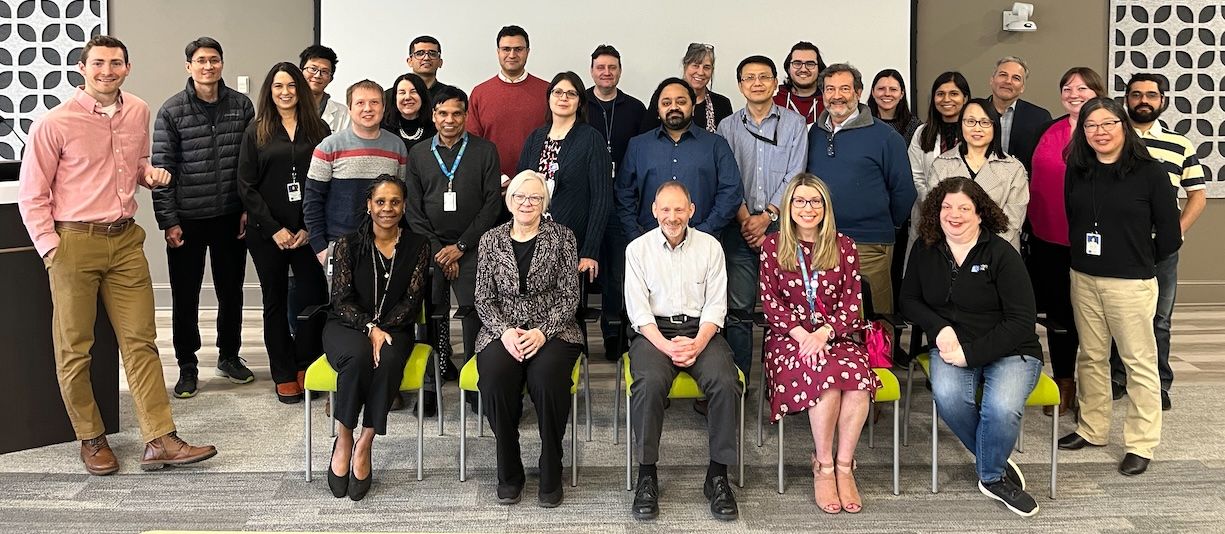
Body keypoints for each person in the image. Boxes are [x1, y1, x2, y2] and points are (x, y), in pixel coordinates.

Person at [17, 35, 217, 475]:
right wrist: (53, 252)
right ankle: (91, 437)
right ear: (82, 68)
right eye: (99, 63)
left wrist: (150, 174)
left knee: (141, 341)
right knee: (75, 348)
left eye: (116, 63)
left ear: (128, 68)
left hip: (126, 240)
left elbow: (135, 164)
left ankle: (159, 438)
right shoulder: (54, 123)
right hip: (74, 242)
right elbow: (32, 195)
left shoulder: (139, 111)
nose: (107, 70)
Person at [900, 177, 1044, 517]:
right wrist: (939, 327)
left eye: (964, 208)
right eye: (947, 207)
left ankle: (992, 476)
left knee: (1002, 408)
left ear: (980, 214)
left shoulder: (1001, 254)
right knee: (948, 397)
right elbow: (908, 300)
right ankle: (993, 458)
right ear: (937, 212)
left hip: (1011, 349)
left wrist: (972, 354)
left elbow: (1022, 320)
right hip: (952, 345)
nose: (955, 214)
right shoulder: (925, 248)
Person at [1057, 97, 1181, 477]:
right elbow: (1072, 217)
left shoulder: (1151, 172)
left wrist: (1137, 259)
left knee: (1137, 362)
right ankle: (1093, 429)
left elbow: (1170, 236)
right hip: (1084, 277)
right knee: (1091, 356)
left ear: (1123, 126)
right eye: (1091, 125)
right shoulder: (1078, 170)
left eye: (1108, 123)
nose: (1100, 132)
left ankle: (1141, 443)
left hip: (1131, 282)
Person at [759, 173, 876, 514]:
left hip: (835, 336)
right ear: (788, 206)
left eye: (815, 201)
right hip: (788, 339)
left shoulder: (844, 246)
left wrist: (824, 333)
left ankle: (844, 465)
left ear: (825, 207)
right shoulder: (772, 245)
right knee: (825, 378)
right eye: (799, 201)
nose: (807, 208)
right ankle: (823, 466)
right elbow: (770, 302)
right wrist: (802, 335)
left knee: (855, 382)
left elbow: (853, 303)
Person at [625, 180, 742, 522]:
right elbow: (639, 312)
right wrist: (667, 346)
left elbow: (716, 307)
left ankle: (717, 475)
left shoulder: (710, 247)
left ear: (691, 211)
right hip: (654, 333)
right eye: (665, 209)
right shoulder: (638, 249)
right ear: (654, 211)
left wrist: (696, 343)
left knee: (725, 381)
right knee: (648, 383)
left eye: (679, 209)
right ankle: (647, 474)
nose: (672, 216)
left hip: (700, 331)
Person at [152, 37, 256, 398]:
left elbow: (250, 164)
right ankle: (187, 365)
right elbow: (162, 168)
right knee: (186, 295)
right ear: (189, 67)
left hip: (230, 216)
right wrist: (168, 221)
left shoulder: (242, 106)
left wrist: (247, 208)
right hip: (187, 218)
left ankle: (229, 356)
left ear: (222, 64)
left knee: (232, 292)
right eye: (200, 60)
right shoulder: (172, 110)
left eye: (214, 60)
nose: (208, 66)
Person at [474, 171, 584, 508]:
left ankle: (551, 465)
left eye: (535, 197)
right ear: (509, 200)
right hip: (501, 329)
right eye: (521, 196)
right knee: (494, 377)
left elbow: (570, 296)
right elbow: (482, 298)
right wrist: (506, 331)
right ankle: (509, 470)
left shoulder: (563, 237)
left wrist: (542, 332)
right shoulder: (489, 241)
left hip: (553, 329)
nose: (527, 202)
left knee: (547, 379)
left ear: (544, 204)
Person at [323, 175, 430, 501]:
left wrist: (383, 329)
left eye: (394, 202)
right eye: (380, 202)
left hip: (396, 328)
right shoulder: (347, 245)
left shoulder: (418, 245)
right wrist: (370, 328)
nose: (388, 208)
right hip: (347, 325)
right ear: (369, 206)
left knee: (388, 363)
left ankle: (365, 442)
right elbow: (340, 300)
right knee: (356, 357)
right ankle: (343, 438)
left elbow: (411, 303)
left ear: (404, 206)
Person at [1108, 73, 1208, 410]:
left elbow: (1197, 195)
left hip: (1161, 249)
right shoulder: (1113, 139)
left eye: (1151, 95)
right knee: (1117, 316)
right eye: (1136, 95)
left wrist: (1176, 232)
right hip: (1119, 246)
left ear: (1162, 100)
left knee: (1159, 319)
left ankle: (1159, 383)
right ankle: (1118, 378)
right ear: (1126, 100)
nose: (1143, 101)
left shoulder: (1180, 144)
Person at [404, 86, 504, 411]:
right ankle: (432, 382)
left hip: (472, 247)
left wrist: (460, 247)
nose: (450, 120)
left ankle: (475, 381)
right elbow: (414, 209)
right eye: (443, 113)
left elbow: (491, 204)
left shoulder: (485, 150)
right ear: (433, 116)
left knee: (476, 315)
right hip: (431, 249)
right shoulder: (418, 153)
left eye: (456, 113)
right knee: (433, 316)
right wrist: (439, 250)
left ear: (465, 115)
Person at [237, 62, 331, 404]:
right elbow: (246, 186)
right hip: (268, 233)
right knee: (274, 300)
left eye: (291, 85)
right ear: (269, 91)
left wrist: (309, 228)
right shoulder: (256, 130)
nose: (286, 92)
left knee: (312, 297)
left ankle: (307, 363)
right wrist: (274, 229)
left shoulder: (318, 128)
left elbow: (326, 181)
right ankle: (282, 371)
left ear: (301, 89)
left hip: (308, 232)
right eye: (278, 86)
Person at [716, 55, 808, 381]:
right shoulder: (726, 127)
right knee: (738, 309)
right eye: (749, 78)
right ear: (740, 85)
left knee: (788, 308)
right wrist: (746, 220)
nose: (757, 83)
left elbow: (795, 175)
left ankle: (787, 381)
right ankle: (739, 381)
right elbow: (728, 179)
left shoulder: (795, 125)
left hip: (783, 230)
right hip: (739, 230)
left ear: (775, 83)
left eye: (764, 77)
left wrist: (767, 216)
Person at [1025, 67, 1105, 416]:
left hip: (1093, 241)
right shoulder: (1049, 129)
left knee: (1092, 315)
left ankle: (1095, 386)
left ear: (1097, 92)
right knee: (1058, 314)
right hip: (1047, 239)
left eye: (1083, 88)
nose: (1074, 93)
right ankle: (1063, 382)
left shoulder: (1107, 131)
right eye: (1068, 87)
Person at [806, 63, 915, 316]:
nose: (837, 95)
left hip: (869, 242)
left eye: (845, 88)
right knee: (827, 315)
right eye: (830, 89)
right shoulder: (813, 134)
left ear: (858, 92)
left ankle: (879, 359)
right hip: (821, 240)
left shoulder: (886, 137)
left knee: (874, 316)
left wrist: (884, 224)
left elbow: (904, 191)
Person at [616, 77, 743, 244]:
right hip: (650, 243)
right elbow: (624, 194)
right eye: (666, 103)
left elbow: (731, 192)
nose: (673, 107)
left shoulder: (716, 145)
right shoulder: (638, 146)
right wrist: (637, 236)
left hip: (703, 243)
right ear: (658, 110)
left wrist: (705, 232)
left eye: (681, 101)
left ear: (693, 107)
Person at [516, 72, 611, 284]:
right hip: (530, 240)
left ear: (580, 103)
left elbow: (601, 199)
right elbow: (519, 190)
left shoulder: (591, 139)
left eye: (571, 93)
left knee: (563, 310)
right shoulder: (535, 138)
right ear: (549, 97)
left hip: (572, 242)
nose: (563, 98)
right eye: (558, 92)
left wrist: (590, 250)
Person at [305, 80, 408, 268]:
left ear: (384, 107)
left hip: (387, 245)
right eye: (360, 103)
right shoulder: (328, 147)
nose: (368, 108)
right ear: (349, 108)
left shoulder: (397, 146)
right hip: (340, 244)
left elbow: (402, 199)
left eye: (375, 102)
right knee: (342, 299)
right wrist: (320, 248)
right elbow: (312, 201)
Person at [586, 44, 646, 357]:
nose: (606, 72)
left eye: (612, 67)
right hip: (586, 202)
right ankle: (574, 335)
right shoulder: (579, 104)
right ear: (592, 70)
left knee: (617, 273)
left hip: (624, 202)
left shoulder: (636, 109)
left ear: (619, 71)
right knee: (581, 268)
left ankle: (614, 333)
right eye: (600, 67)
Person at [920, 98, 1028, 250]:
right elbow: (934, 213)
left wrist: (978, 249)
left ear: (995, 126)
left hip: (998, 252)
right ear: (961, 125)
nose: (977, 128)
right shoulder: (942, 164)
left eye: (985, 122)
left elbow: (1012, 222)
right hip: (951, 251)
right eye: (970, 121)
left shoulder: (1013, 169)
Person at [467, 25, 549, 182]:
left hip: (537, 185)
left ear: (527, 52)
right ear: (498, 52)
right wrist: (500, 178)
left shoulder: (548, 91)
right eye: (506, 49)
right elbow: (473, 143)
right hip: (491, 183)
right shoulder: (480, 93)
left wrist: (532, 180)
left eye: (518, 49)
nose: (512, 55)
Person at [640, 44, 734, 133]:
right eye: (695, 65)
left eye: (706, 67)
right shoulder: (664, 99)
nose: (700, 72)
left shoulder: (722, 104)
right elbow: (647, 138)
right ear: (685, 66)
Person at [909, 72, 970, 210]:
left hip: (967, 211)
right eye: (940, 94)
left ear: (965, 98)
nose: (946, 99)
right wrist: (934, 204)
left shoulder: (975, 133)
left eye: (954, 94)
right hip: (929, 211)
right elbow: (915, 176)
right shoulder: (921, 133)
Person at [986, 56, 1051, 172]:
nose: (1008, 81)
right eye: (1003, 75)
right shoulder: (972, 112)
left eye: (1016, 78)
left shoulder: (1040, 118)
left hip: (1022, 185)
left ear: (1022, 87)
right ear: (991, 80)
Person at [773, 42, 828, 126]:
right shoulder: (773, 104)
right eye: (797, 63)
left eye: (810, 64)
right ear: (788, 68)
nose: (803, 69)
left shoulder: (830, 104)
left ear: (819, 69)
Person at [390, 35, 457, 104]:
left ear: (440, 62)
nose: (426, 58)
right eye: (419, 54)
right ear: (410, 61)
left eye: (433, 54)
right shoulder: (391, 96)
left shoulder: (451, 96)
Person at [298, 45, 350, 133]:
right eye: (313, 69)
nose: (318, 75)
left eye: (325, 71)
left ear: (331, 78)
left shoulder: (343, 113)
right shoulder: (286, 107)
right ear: (300, 72)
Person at [382, 73, 436, 152]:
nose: (407, 97)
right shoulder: (384, 127)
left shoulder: (435, 128)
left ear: (422, 96)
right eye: (402, 92)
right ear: (395, 98)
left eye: (413, 92)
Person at [868, 69, 921, 143]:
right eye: (881, 89)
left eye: (893, 89)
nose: (887, 93)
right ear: (873, 92)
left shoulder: (914, 126)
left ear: (902, 94)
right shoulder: (862, 123)